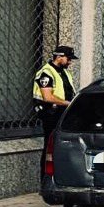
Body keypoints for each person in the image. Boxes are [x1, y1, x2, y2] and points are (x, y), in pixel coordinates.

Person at [33, 46, 78, 178]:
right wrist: (69, 103)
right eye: (68, 59)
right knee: (50, 147)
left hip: (63, 114)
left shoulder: (64, 72)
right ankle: (46, 179)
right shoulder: (46, 73)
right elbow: (47, 97)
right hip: (51, 115)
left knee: (62, 147)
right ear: (59, 57)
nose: (70, 62)